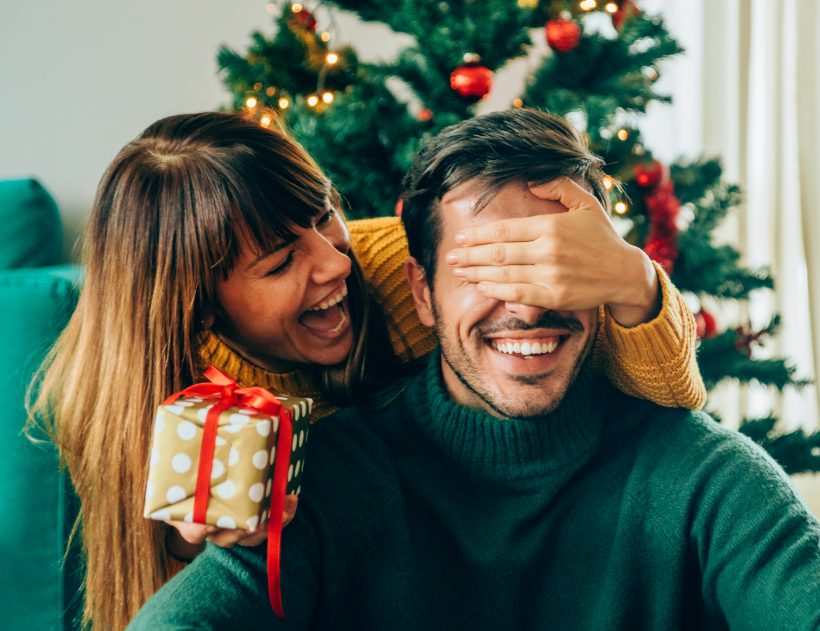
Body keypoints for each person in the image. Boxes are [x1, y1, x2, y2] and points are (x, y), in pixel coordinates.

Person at [128, 108, 820, 630]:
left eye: (552, 266)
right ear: (421, 293)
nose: (525, 306)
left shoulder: (699, 474)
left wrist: (635, 281)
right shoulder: (325, 482)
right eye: (485, 269)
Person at [29, 111, 706, 630]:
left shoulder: (406, 272)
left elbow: (669, 402)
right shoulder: (153, 413)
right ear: (202, 312)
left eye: (325, 216)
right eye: (279, 263)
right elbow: (165, 603)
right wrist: (188, 547)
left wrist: (633, 277)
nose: (333, 264)